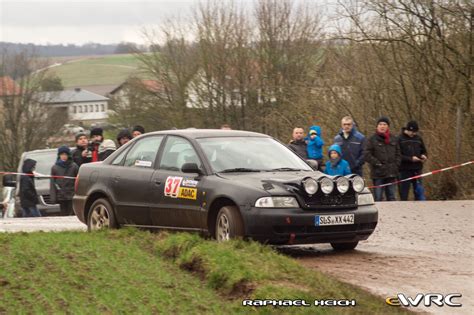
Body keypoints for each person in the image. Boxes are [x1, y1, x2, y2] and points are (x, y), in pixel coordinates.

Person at [363, 117, 401, 201]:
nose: (382, 126)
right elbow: (366, 154)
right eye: (380, 124)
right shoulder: (371, 140)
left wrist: (396, 165)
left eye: (384, 124)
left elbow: (398, 154)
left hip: (391, 173)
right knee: (378, 198)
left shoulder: (394, 139)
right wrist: (377, 163)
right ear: (377, 126)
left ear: (388, 126)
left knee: (391, 197)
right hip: (378, 174)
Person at [398, 121, 428, 201]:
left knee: (419, 193)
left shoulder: (418, 138)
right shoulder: (400, 139)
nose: (413, 134)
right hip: (404, 170)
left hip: (417, 169)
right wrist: (410, 158)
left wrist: (424, 155)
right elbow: (398, 155)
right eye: (411, 131)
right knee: (404, 194)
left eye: (415, 132)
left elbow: (424, 150)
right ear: (407, 130)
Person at [50, 146, 79, 216]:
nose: (64, 156)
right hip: (61, 196)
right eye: (62, 154)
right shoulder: (55, 167)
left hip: (72, 195)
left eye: (65, 154)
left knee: (72, 214)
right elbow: (52, 184)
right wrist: (53, 198)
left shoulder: (74, 166)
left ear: (68, 155)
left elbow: (78, 180)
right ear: (59, 155)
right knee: (63, 214)